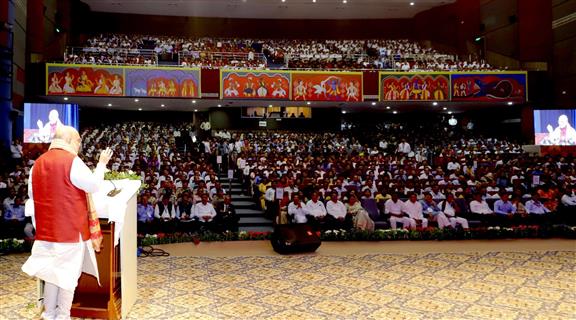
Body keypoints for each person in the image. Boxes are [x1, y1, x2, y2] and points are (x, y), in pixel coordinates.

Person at [21, 125, 113, 320]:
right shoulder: (72, 161)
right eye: (78, 141)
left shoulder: (37, 164)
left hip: (46, 232)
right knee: (68, 278)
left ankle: (49, 314)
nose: (80, 145)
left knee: (52, 276)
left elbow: (33, 198)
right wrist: (102, 164)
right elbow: (93, 185)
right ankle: (63, 316)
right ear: (71, 141)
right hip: (70, 231)